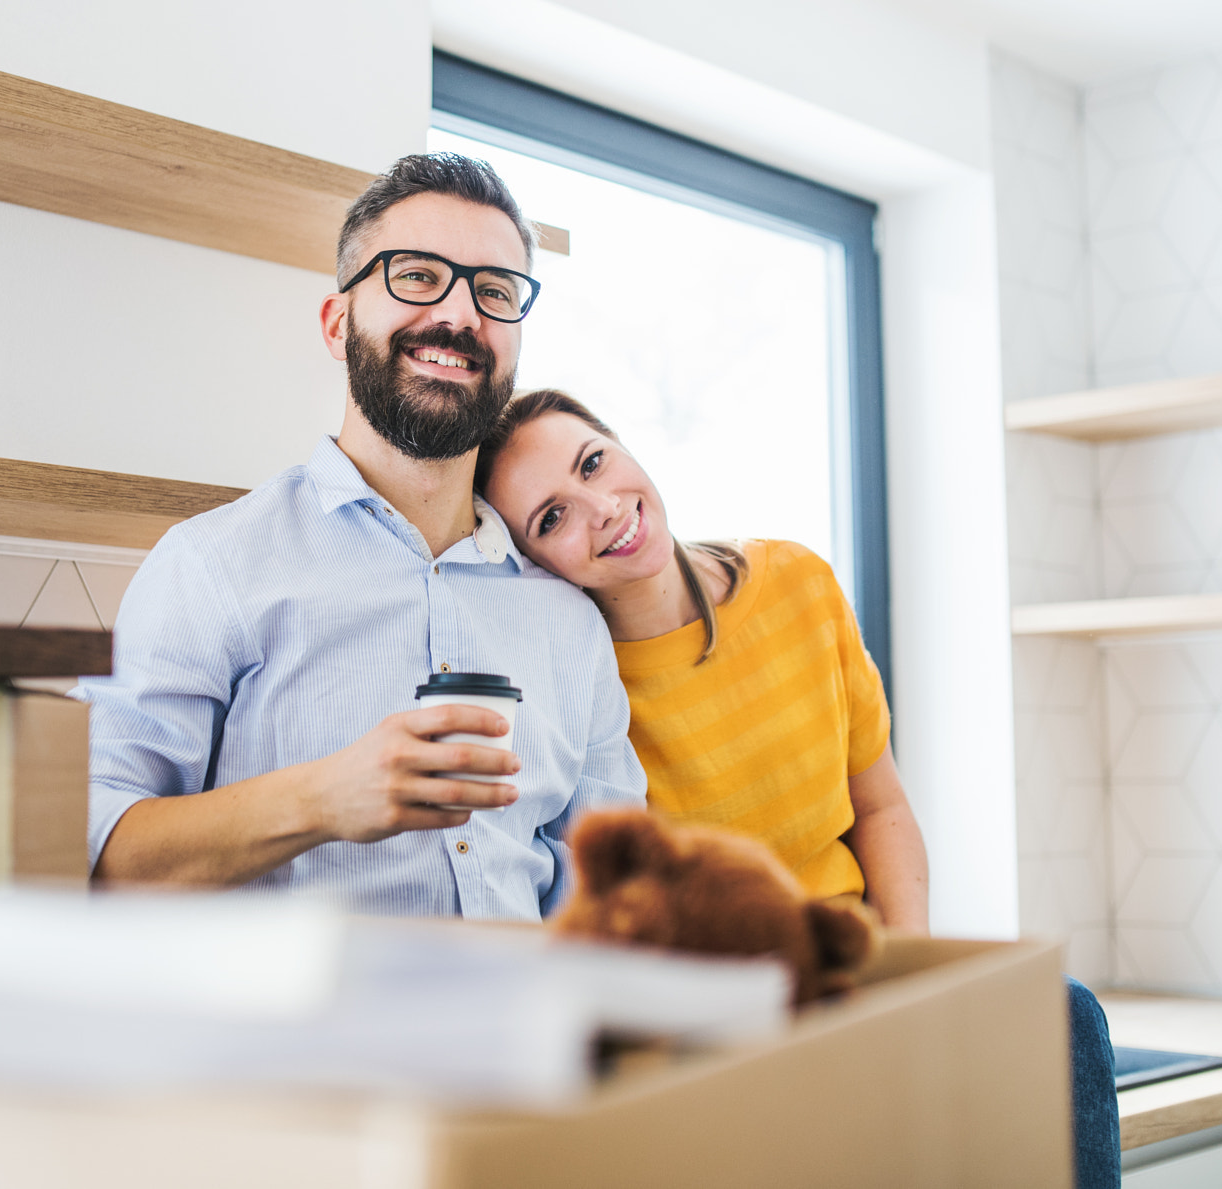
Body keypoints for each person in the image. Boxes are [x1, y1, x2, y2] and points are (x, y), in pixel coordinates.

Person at [475, 389, 1122, 1189]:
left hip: (862, 961)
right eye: (552, 518)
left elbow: (880, 808)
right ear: (536, 563)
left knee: (1065, 1015)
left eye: (594, 461)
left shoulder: (798, 582)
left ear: (622, 443)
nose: (603, 508)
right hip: (735, 1018)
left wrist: (906, 970)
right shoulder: (578, 692)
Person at [83, 156, 645, 918]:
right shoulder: (212, 566)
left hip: (523, 1031)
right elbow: (92, 853)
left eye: (495, 291)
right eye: (417, 276)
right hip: (295, 1037)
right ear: (338, 322)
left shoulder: (571, 627)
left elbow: (616, 897)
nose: (460, 315)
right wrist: (321, 798)